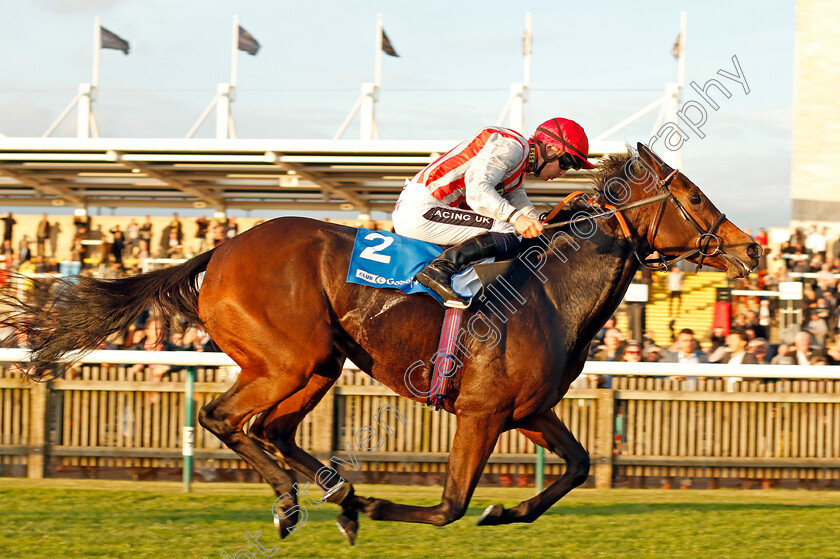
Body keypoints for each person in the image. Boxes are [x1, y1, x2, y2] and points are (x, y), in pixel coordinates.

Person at [391, 117, 595, 307]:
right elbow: (477, 190)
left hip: (428, 208)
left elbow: (517, 199)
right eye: (567, 163)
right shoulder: (512, 147)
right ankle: (440, 270)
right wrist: (517, 219)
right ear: (550, 148)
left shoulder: (520, 162)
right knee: (506, 229)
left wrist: (538, 222)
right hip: (422, 210)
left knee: (514, 230)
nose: (563, 173)